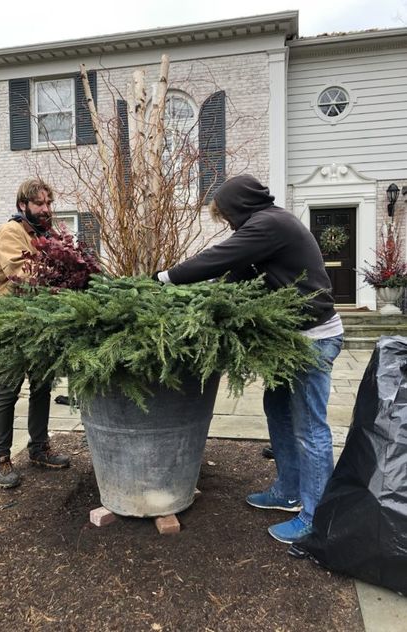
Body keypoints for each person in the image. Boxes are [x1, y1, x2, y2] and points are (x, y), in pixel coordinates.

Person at [154, 174, 343, 545]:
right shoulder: (266, 226)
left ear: (239, 206)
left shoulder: (270, 223)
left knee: (310, 429)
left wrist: (165, 278)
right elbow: (234, 274)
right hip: (288, 340)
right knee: (278, 409)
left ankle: (317, 519)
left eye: (226, 216)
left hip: (312, 340)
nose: (229, 224)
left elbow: (218, 258)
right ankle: (288, 491)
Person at [0, 177, 70, 488]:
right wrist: (59, 275)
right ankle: (1, 457)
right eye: (40, 203)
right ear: (24, 205)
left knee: (41, 386)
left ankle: (39, 448)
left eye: (49, 203)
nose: (46, 208)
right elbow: (19, 273)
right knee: (8, 390)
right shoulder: (11, 232)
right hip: (12, 322)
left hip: (39, 322)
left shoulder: (44, 233)